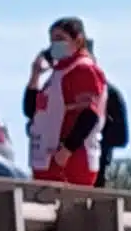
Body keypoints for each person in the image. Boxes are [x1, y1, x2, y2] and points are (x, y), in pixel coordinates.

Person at [25, 16, 108, 187]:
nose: (54, 45)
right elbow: (30, 110)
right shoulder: (57, 74)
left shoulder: (83, 69)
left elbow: (90, 114)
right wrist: (35, 75)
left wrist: (67, 150)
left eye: (60, 39)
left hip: (70, 162)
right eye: (52, 40)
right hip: (45, 160)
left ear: (78, 40)